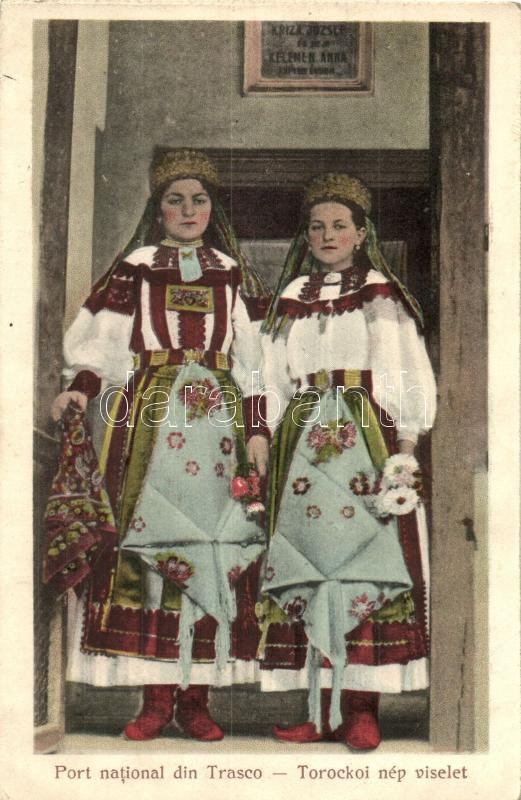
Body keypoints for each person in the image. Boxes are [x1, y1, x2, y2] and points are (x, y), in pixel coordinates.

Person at [50, 149, 270, 742]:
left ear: (212, 209)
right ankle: (153, 700)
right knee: (148, 543)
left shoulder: (233, 274)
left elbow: (255, 364)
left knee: (213, 545)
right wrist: (80, 388)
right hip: (150, 420)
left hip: (219, 424)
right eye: (176, 200)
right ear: (159, 209)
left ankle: (196, 701)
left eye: (199, 200)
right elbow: (102, 345)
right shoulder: (136, 268)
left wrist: (256, 429)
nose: (188, 210)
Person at [257, 173, 436, 750]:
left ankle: (361, 709)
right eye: (317, 227)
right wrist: (264, 432)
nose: (327, 235)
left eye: (339, 225)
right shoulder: (292, 297)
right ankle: (318, 708)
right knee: (310, 564)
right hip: (302, 439)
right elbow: (271, 377)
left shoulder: (381, 293)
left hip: (366, 434)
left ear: (361, 233)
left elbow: (405, 367)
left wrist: (406, 443)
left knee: (363, 562)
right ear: (306, 236)